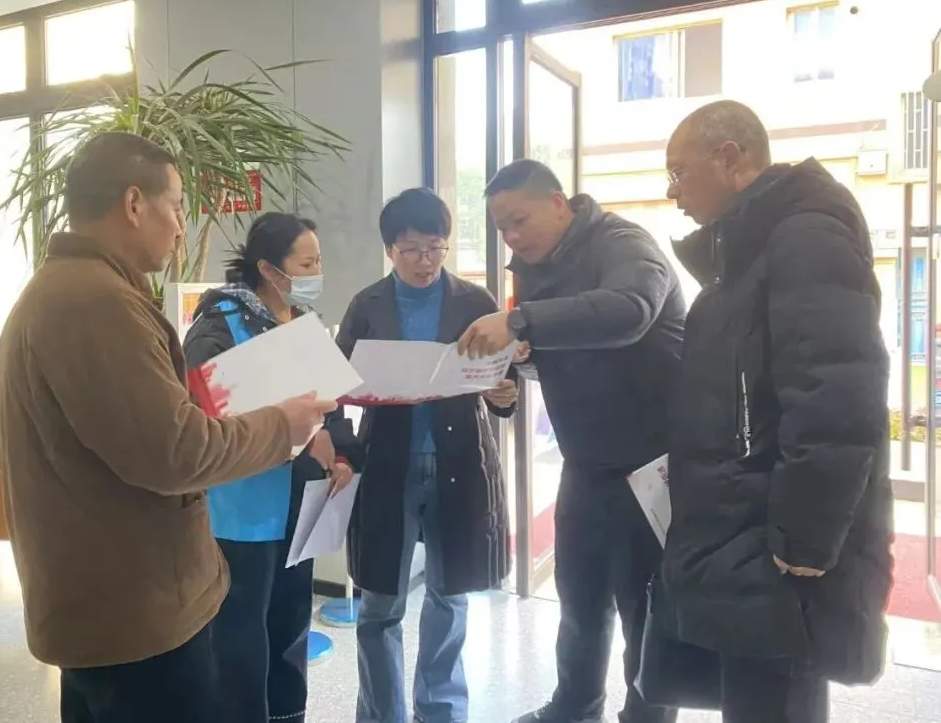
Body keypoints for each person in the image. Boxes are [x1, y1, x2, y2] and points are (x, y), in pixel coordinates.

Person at [0, 132, 336, 723]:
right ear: (133, 204)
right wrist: (284, 426)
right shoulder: (97, 304)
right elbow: (176, 450)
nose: (181, 228)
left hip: (104, 599)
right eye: (176, 206)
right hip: (134, 613)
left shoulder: (70, 291)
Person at [661, 100, 892, 723]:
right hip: (743, 530)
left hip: (776, 545)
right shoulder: (747, 251)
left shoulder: (805, 236)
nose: (673, 192)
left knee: (776, 699)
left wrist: (806, 537)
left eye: (679, 172)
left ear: (729, 158)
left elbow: (836, 392)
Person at [460, 160, 685, 723]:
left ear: (559, 203)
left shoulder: (624, 243)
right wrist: (519, 367)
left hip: (651, 465)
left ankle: (646, 718)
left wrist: (520, 322)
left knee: (646, 608)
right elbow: (560, 351)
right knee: (580, 600)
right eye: (502, 228)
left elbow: (630, 312)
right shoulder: (535, 268)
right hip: (584, 461)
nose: (512, 237)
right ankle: (574, 708)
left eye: (520, 220)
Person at [338, 187, 517, 723]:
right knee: (379, 603)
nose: (425, 262)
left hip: (459, 462)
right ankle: (382, 714)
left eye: (436, 248)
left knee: (450, 595)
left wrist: (503, 395)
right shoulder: (367, 305)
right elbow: (335, 384)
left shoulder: (475, 302)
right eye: (412, 250)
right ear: (390, 250)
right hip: (387, 464)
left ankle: (440, 710)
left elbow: (502, 381)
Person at [182, 212, 359, 723]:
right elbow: (202, 415)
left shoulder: (302, 323)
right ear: (268, 268)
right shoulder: (219, 324)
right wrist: (290, 434)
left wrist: (341, 454)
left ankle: (287, 714)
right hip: (243, 509)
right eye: (306, 263)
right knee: (241, 635)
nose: (316, 272)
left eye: (318, 261)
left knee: (290, 625)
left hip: (299, 503)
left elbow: (332, 406)